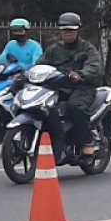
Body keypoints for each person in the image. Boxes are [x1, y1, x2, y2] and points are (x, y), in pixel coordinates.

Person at [38, 12, 104, 159]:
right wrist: (27, 74)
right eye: (64, 30)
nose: (68, 33)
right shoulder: (53, 49)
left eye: (71, 30)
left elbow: (94, 65)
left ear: (77, 31)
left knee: (75, 106)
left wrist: (81, 74)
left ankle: (87, 141)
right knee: (43, 105)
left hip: (83, 87)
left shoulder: (87, 48)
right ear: (60, 31)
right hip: (58, 86)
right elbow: (40, 64)